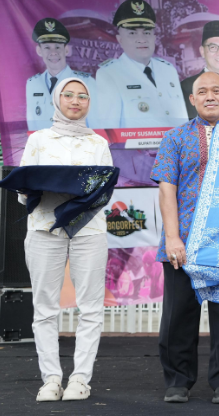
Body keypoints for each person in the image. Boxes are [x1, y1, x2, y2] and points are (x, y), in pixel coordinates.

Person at [151, 71, 219, 404]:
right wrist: (173, 237)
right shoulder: (175, 138)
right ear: (192, 100)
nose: (210, 96)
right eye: (202, 91)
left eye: (217, 90)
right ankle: (178, 381)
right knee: (178, 315)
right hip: (184, 241)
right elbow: (167, 189)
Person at [19, 78, 112, 402]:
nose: (75, 101)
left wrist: (78, 198)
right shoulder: (38, 140)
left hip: (89, 230)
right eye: (68, 95)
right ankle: (51, 380)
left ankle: (80, 380)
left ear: (89, 102)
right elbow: (23, 192)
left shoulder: (98, 143)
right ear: (57, 100)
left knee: (91, 308)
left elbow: (104, 190)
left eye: (82, 96)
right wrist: (43, 190)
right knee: (44, 308)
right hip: (44, 227)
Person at [94, 0, 188, 128]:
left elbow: (182, 120)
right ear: (120, 40)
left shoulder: (168, 69)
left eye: (147, 33)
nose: (142, 39)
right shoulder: (109, 73)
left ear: (154, 38)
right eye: (132, 33)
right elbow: (109, 130)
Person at [26, 18, 97, 132]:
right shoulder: (32, 84)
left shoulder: (86, 82)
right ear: (39, 51)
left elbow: (95, 125)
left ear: (66, 50)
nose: (53, 52)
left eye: (58, 47)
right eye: (47, 47)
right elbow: (32, 124)